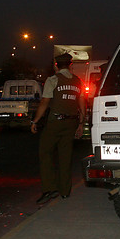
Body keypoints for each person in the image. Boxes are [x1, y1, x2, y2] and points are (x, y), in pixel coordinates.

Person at [31, 53, 85, 204]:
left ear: (55, 65)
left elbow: (45, 102)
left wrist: (35, 121)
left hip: (55, 122)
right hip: (71, 122)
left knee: (45, 152)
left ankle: (50, 189)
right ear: (70, 65)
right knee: (65, 156)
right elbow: (82, 102)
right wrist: (81, 123)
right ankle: (65, 191)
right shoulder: (77, 81)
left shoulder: (53, 80)